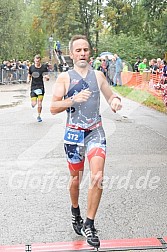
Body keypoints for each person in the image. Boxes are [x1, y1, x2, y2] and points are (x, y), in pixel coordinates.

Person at [50, 35, 122, 249]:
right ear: (71, 54)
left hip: (95, 132)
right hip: (73, 136)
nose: (82, 53)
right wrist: (73, 99)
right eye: (78, 50)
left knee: (98, 176)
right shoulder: (65, 78)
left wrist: (115, 100)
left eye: (86, 50)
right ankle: (75, 211)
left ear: (90, 53)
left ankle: (89, 223)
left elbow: (110, 96)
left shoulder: (98, 75)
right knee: (75, 179)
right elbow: (53, 108)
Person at [27, 54, 49, 122]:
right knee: (34, 103)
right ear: (34, 60)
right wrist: (28, 79)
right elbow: (29, 75)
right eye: (36, 61)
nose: (37, 62)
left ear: (40, 61)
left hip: (40, 87)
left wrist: (47, 78)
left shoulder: (43, 68)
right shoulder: (31, 67)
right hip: (33, 87)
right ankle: (33, 103)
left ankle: (39, 116)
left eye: (38, 61)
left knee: (40, 103)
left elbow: (47, 76)